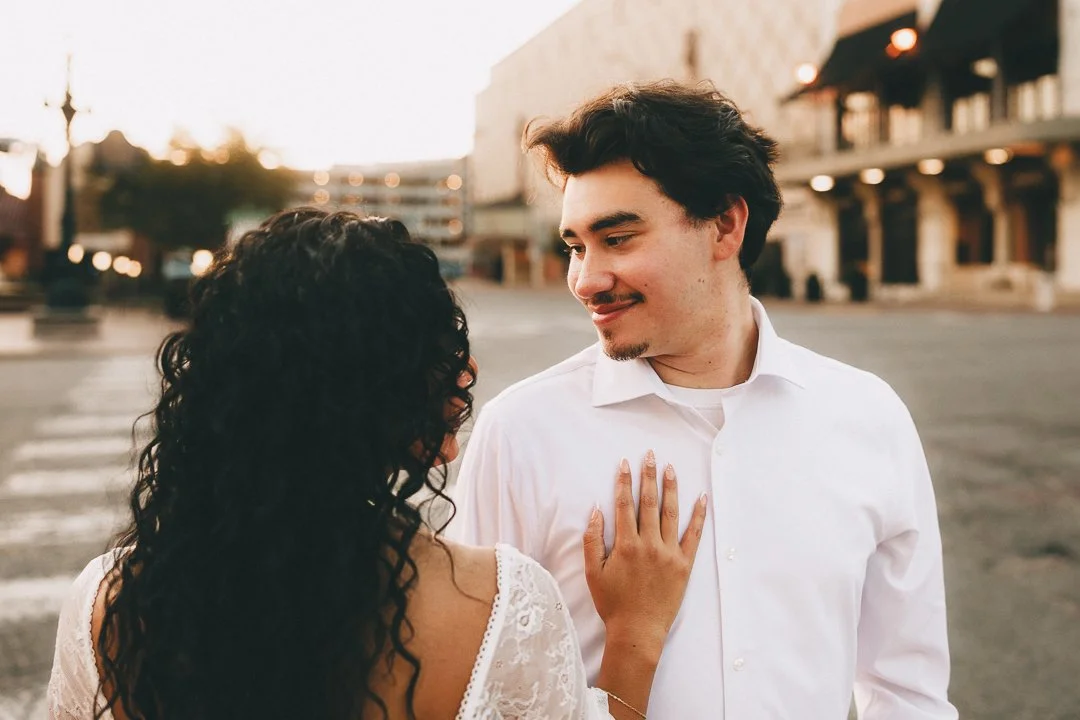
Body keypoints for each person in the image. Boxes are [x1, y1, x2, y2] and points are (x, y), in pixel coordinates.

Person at [46, 209, 708, 720]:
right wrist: (635, 633)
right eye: (441, 350)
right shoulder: (494, 606)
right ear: (385, 394)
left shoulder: (107, 604)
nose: (465, 372)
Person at [448, 80, 960, 719]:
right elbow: (473, 687)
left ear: (724, 225)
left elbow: (906, 691)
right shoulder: (522, 432)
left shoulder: (868, 416)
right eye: (575, 246)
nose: (585, 279)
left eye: (618, 238)